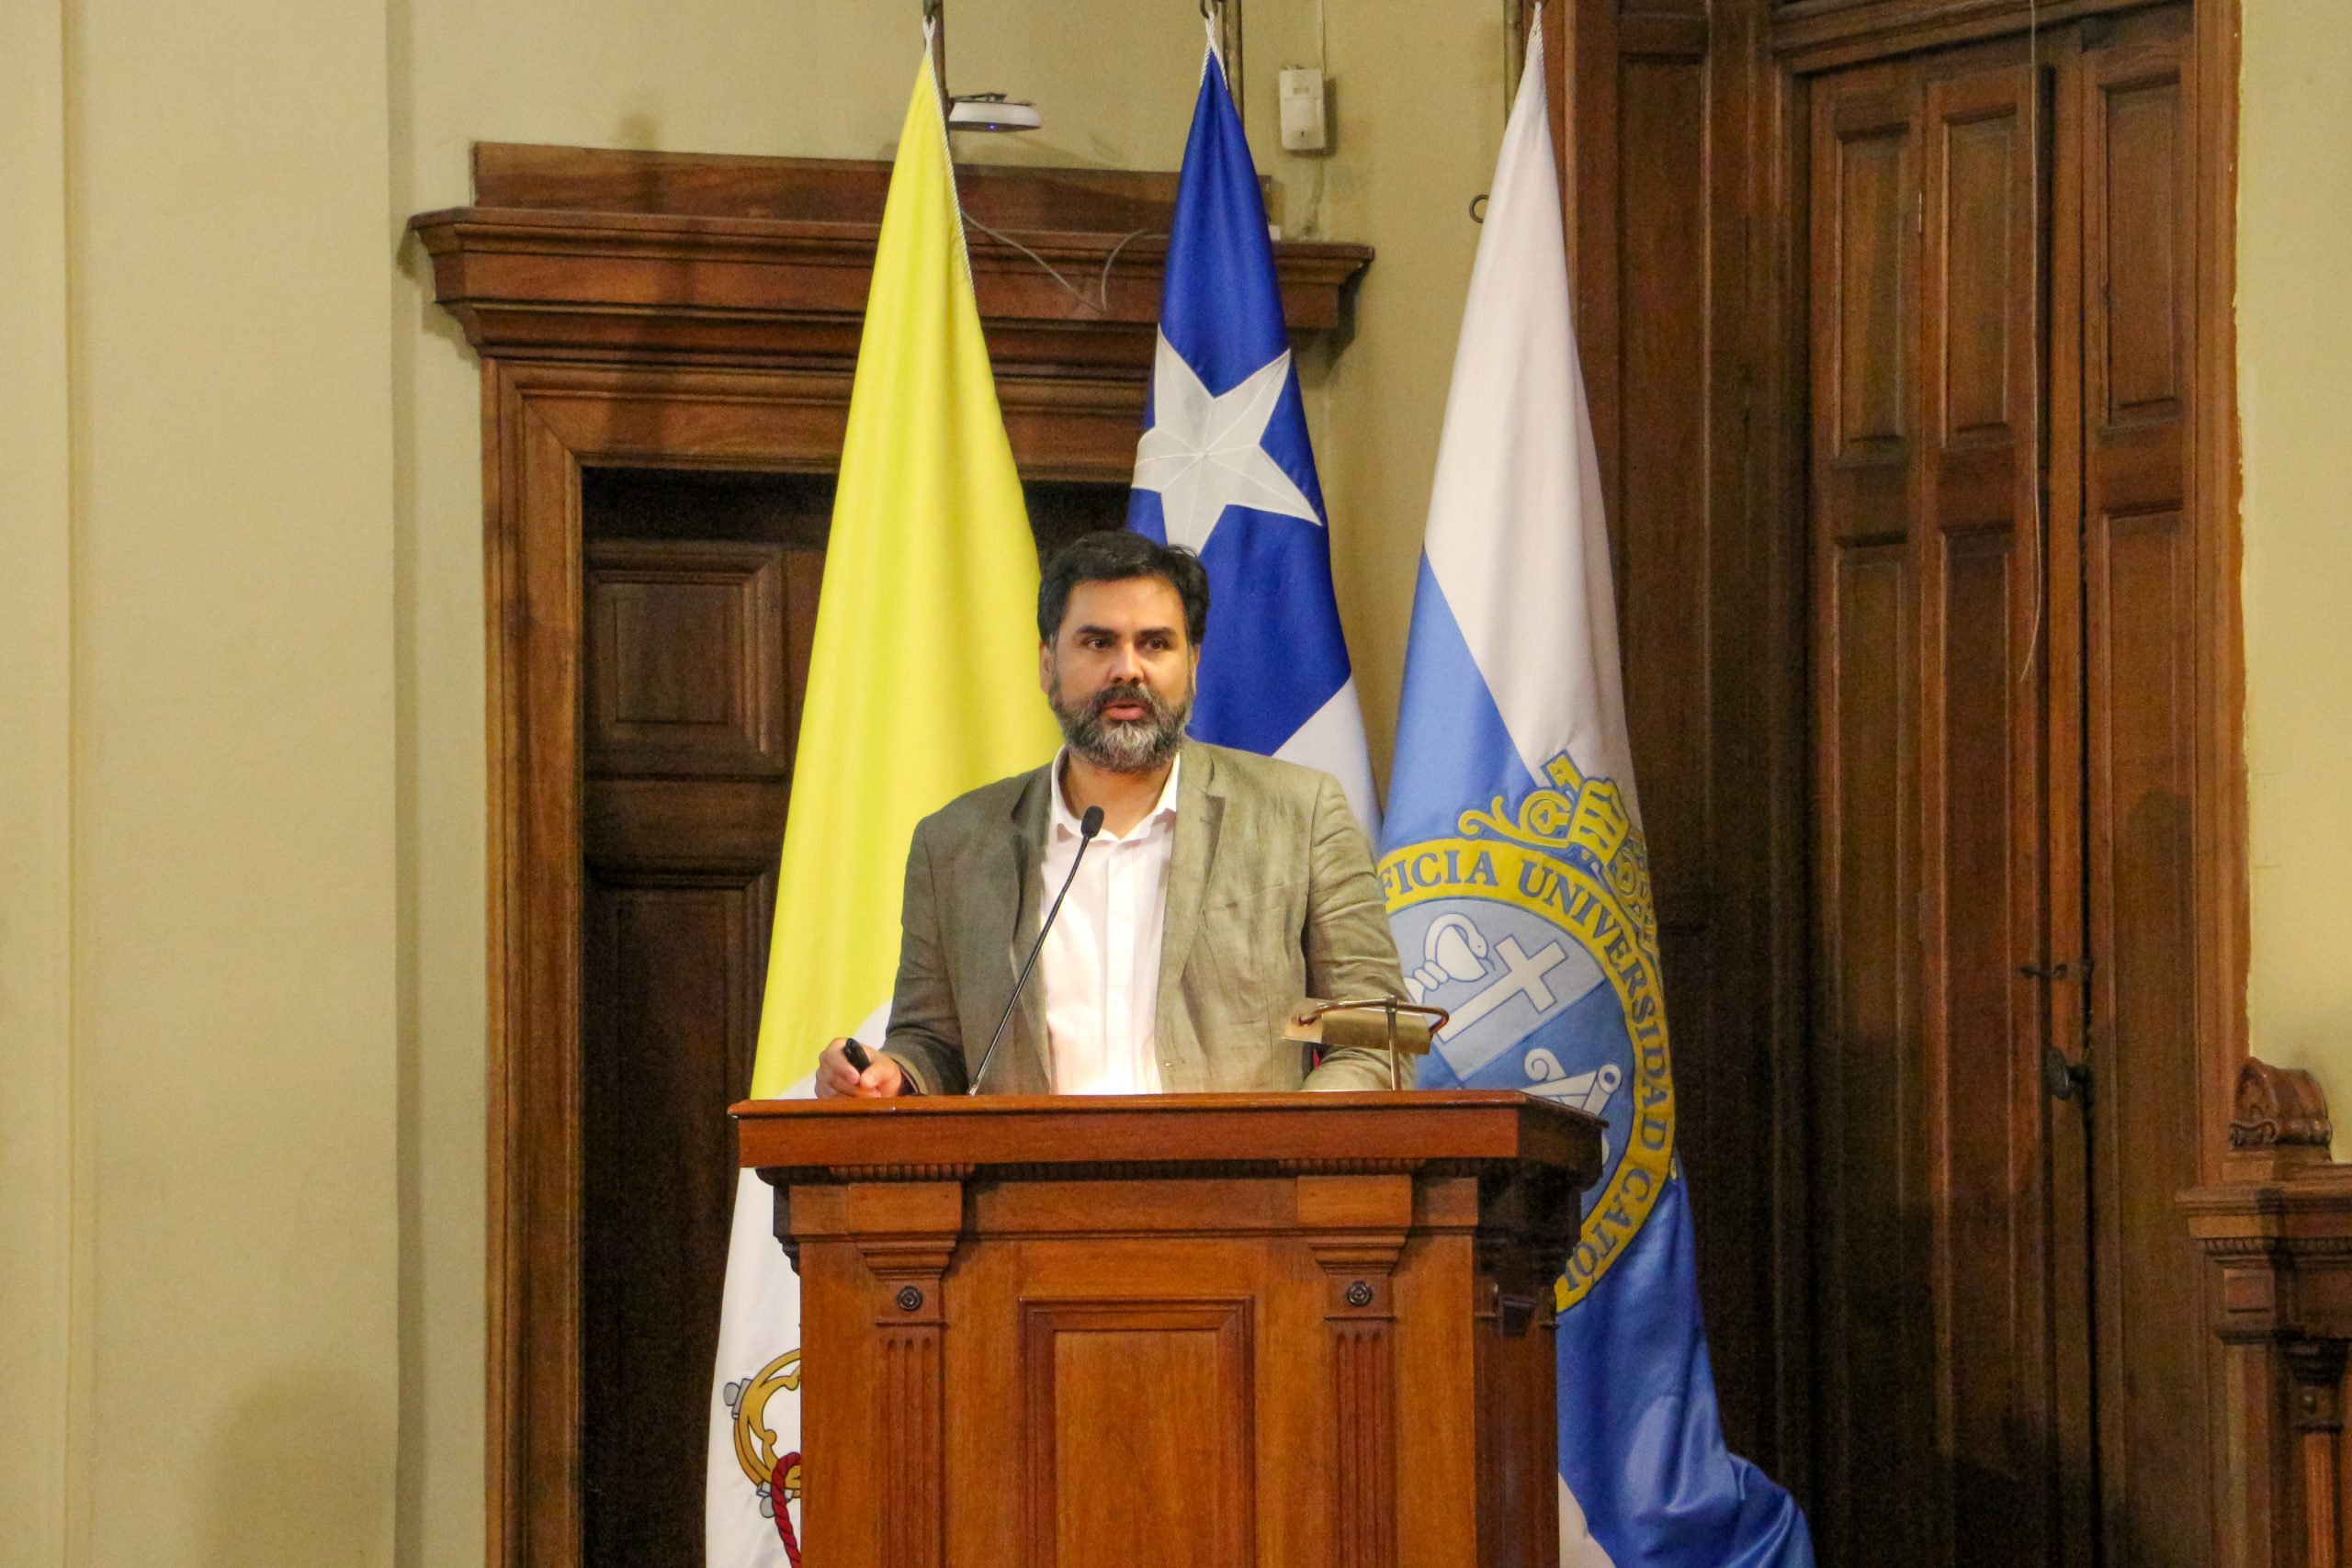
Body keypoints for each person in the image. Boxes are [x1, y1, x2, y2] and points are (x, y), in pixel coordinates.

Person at [815, 530, 1406, 1097]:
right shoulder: (955, 843)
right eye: (1098, 643)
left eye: (1155, 644)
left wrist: (1283, 1142)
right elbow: (932, 1044)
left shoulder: (1300, 816)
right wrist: (889, 1074)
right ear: (1047, 664)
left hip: (1243, 1168)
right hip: (1033, 1169)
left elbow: (1376, 1037)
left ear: (1193, 664)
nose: (1128, 669)